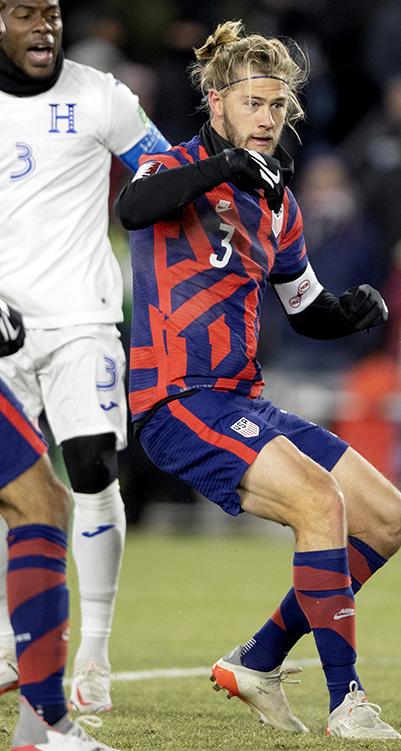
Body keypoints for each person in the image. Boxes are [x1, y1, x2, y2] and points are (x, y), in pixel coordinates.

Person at [114, 21, 401, 738]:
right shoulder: (171, 168)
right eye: (253, 102)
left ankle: (259, 658)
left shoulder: (279, 201)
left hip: (244, 400)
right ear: (216, 103)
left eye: (278, 105)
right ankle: (348, 702)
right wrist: (222, 170)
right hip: (176, 400)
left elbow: (305, 308)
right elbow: (132, 209)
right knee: (320, 500)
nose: (268, 118)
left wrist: (351, 312)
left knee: (387, 517)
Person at [0, 0, 171, 712]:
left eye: (52, 11)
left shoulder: (101, 96)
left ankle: (94, 653)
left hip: (83, 317)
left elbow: (159, 169)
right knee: (10, 487)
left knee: (94, 463)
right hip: (1, 324)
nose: (44, 26)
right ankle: (11, 645)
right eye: (23, 12)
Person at [0, 300, 147, 751]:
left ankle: (56, 702)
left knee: (43, 497)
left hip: (75, 315)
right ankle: (44, 722)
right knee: (43, 501)